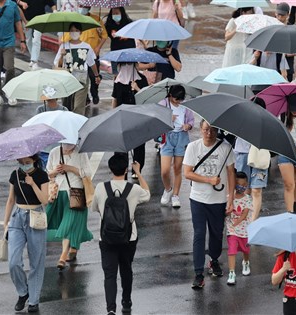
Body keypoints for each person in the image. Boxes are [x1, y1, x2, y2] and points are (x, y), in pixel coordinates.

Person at [92, 155, 150, 315]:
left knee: (109, 274)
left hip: (106, 237)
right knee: (126, 269)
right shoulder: (134, 190)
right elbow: (147, 194)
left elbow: (95, 208)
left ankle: (111, 308)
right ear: (126, 170)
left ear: (110, 169)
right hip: (128, 237)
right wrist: (138, 173)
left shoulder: (100, 187)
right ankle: (126, 299)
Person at [183, 119, 236, 289]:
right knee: (199, 234)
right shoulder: (193, 147)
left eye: (213, 130)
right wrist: (208, 180)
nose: (209, 133)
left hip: (218, 200)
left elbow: (231, 174)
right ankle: (198, 273)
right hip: (197, 199)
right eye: (206, 130)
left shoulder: (226, 148)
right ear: (200, 130)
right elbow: (187, 173)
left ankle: (214, 260)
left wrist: (231, 198)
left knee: (216, 233)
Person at [2, 154, 49, 313]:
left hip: (36, 217)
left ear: (35, 160)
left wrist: (33, 184)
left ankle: (33, 300)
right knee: (13, 261)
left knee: (37, 261)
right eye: (21, 162)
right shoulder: (15, 175)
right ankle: (23, 292)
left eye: (27, 162)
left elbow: (45, 200)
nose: (24, 165)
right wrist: (6, 222)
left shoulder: (42, 175)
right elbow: (10, 200)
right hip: (17, 218)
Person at [45, 143, 93, 270]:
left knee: (69, 223)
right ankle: (73, 246)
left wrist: (70, 168)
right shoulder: (54, 152)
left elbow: (88, 173)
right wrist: (55, 171)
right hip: (58, 193)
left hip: (76, 194)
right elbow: (48, 173)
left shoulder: (81, 152)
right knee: (64, 223)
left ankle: (63, 255)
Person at [61, 5, 107, 105]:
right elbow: (64, 40)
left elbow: (104, 36)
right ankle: (84, 98)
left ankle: (94, 93)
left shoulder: (96, 20)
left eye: (85, 6)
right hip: (76, 60)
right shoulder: (74, 20)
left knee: (93, 76)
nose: (83, 8)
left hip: (92, 53)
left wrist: (98, 47)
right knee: (79, 85)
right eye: (81, 6)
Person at [54, 22, 101, 114]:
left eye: (76, 30)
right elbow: (58, 65)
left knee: (78, 106)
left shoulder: (86, 46)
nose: (74, 32)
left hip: (81, 79)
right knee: (66, 106)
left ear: (81, 32)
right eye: (71, 30)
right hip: (67, 79)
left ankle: (78, 126)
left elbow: (92, 63)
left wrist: (96, 75)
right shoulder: (64, 46)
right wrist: (61, 56)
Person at [159, 85, 194, 208]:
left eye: (180, 99)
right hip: (167, 138)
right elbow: (156, 119)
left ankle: (175, 195)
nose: (178, 101)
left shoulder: (186, 106)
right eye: (176, 99)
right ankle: (168, 189)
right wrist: (168, 118)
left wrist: (188, 126)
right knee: (164, 171)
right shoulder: (163, 104)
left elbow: (191, 121)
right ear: (170, 96)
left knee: (178, 168)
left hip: (181, 137)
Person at [233, 97, 269, 220]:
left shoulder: (267, 122)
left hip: (259, 157)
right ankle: (244, 216)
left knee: (256, 190)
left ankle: (252, 222)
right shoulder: (240, 118)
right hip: (243, 154)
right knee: (243, 189)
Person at [0, 0, 27, 106]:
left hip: (9, 41)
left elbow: (18, 23)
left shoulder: (12, 5)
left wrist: (22, 41)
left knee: (10, 68)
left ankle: (9, 91)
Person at [225, 171, 253, 285]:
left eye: (243, 185)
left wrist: (236, 222)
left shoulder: (248, 199)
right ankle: (232, 272)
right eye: (238, 185)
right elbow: (225, 212)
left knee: (245, 249)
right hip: (231, 230)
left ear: (246, 185)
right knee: (232, 249)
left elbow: (244, 214)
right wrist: (228, 212)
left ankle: (246, 262)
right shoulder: (228, 198)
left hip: (244, 230)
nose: (241, 187)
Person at [21, 0, 57, 70]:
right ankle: (32, 58)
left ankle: (35, 61)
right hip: (27, 19)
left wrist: (54, 10)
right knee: (28, 40)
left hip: (40, 19)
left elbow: (51, 3)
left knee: (36, 40)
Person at [104, 7, 135, 76]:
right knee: (116, 75)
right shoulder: (109, 25)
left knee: (128, 74)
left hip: (128, 52)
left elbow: (135, 34)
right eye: (113, 13)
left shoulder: (129, 23)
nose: (115, 15)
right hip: (115, 52)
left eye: (117, 13)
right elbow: (104, 35)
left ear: (122, 13)